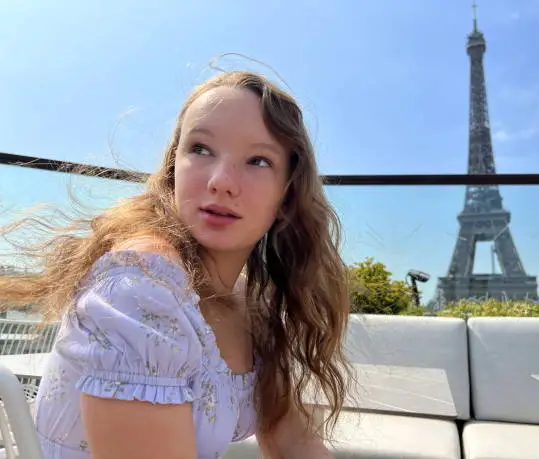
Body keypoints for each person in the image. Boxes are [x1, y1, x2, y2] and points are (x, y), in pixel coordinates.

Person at [0, 70, 352, 458]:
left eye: (258, 160)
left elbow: (294, 442)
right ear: (173, 168)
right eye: (201, 149)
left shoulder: (250, 301)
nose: (221, 181)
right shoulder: (141, 286)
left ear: (287, 193)